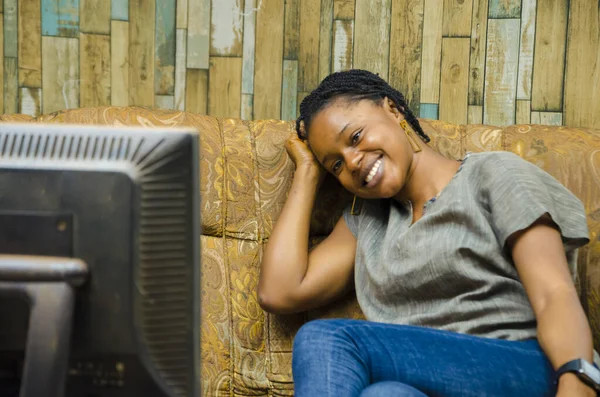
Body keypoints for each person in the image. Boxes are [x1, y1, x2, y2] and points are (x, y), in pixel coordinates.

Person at [257, 69, 598, 397]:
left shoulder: (493, 174)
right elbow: (280, 291)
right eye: (335, 164)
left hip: (527, 369)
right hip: (436, 383)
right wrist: (307, 173)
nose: (353, 162)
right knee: (387, 394)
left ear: (393, 110)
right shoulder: (370, 221)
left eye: (356, 138)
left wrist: (577, 381)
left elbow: (555, 293)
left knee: (324, 338)